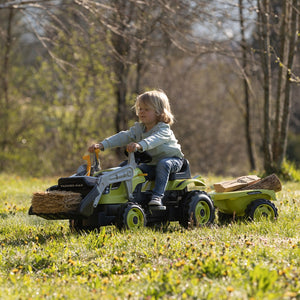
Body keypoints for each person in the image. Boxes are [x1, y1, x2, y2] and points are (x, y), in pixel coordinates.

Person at [88, 89, 184, 206]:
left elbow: (154, 139)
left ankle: (157, 196)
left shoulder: (163, 129)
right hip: (151, 165)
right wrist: (103, 144)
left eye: (146, 109)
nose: (142, 112)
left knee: (164, 164)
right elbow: (123, 136)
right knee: (126, 168)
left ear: (159, 111)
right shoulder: (139, 129)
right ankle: (122, 196)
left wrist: (140, 145)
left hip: (173, 161)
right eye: (140, 109)